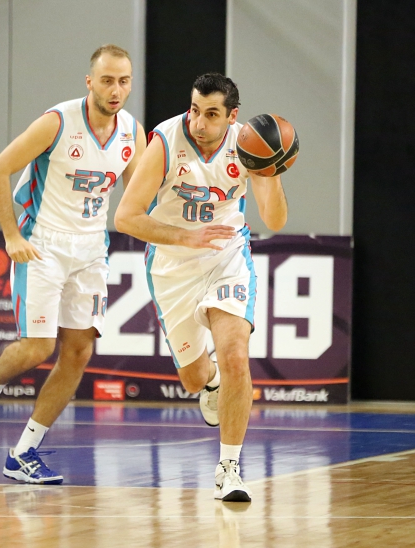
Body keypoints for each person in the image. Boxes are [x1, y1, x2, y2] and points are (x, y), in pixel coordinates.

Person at [0, 44, 146, 484]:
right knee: (38, 348)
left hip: (91, 249)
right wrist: (11, 236)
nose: (116, 90)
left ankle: (23, 452)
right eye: (107, 80)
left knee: (78, 352)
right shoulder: (58, 122)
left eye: (123, 81)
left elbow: (138, 194)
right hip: (43, 243)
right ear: (90, 81)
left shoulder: (131, 132)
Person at [114, 73, 287, 502]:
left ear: (232, 116)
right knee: (193, 379)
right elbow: (126, 218)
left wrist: (272, 168)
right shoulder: (165, 141)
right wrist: (184, 237)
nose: (198, 122)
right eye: (194, 110)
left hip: (227, 258)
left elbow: (275, 220)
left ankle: (229, 469)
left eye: (211, 114)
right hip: (172, 265)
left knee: (235, 355)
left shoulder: (246, 145)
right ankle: (210, 384)